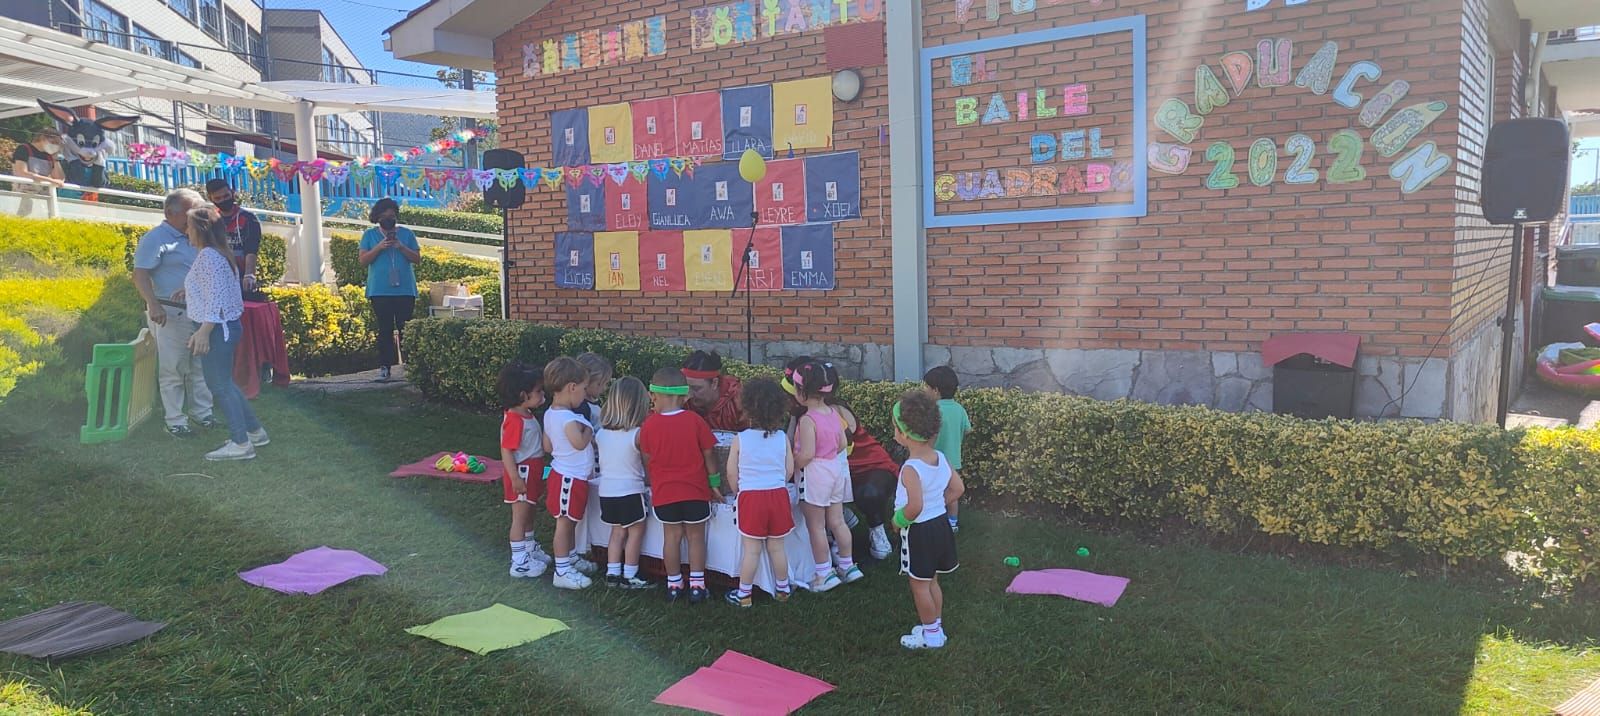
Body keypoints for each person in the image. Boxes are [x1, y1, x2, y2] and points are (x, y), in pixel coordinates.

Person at [782, 357, 901, 561]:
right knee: (832, 516)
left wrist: (793, 466)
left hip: (866, 468)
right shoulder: (806, 415)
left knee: (859, 497)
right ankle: (845, 556)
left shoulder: (828, 413)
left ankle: (874, 530)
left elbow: (843, 445)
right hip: (836, 473)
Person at [182, 206, 269, 461]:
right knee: (226, 383)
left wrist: (204, 332)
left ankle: (241, 443)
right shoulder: (219, 254)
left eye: (189, 226)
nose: (186, 230)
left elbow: (217, 297)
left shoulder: (209, 256)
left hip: (217, 329)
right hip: (225, 327)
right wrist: (187, 291)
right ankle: (254, 432)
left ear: (200, 229)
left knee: (218, 385)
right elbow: (214, 288)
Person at [133, 189, 214, 438]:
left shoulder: (197, 236)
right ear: (170, 212)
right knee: (174, 368)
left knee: (201, 366)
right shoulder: (155, 238)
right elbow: (140, 274)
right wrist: (153, 305)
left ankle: (203, 414)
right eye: (191, 212)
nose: (196, 216)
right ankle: (175, 420)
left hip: (198, 311)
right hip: (170, 312)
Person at [889, 390, 963, 650]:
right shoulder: (940, 458)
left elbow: (915, 507)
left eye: (895, 427)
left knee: (919, 584)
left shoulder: (910, 468)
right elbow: (958, 489)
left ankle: (931, 636)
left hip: (919, 532)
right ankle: (935, 626)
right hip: (940, 526)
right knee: (932, 581)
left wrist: (898, 521)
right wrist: (939, 505)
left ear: (905, 435)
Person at [639, 367, 718, 604]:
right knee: (696, 537)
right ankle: (697, 585)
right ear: (684, 396)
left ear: (657, 395)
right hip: (695, 491)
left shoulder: (649, 425)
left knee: (671, 537)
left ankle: (673, 584)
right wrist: (714, 483)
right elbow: (709, 454)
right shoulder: (695, 421)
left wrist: (652, 481)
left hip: (665, 493)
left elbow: (647, 459)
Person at [791, 360, 864, 591]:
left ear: (802, 392)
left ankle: (824, 573)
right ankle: (848, 565)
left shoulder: (807, 420)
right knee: (838, 521)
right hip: (834, 469)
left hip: (815, 474)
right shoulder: (833, 413)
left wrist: (793, 464)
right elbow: (843, 443)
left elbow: (808, 454)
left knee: (817, 526)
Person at [724, 378, 796, 607]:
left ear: (746, 407)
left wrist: (738, 491)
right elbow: (789, 469)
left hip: (751, 498)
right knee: (777, 547)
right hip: (777, 495)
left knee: (751, 550)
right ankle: (783, 589)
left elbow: (731, 473)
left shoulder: (740, 439)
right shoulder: (782, 438)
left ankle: (744, 594)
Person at [542, 356, 599, 589]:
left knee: (572, 521)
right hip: (568, 479)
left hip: (569, 477)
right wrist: (589, 430)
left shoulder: (550, 414)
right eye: (584, 389)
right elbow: (578, 443)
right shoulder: (568, 418)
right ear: (572, 388)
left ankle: (571, 557)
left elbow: (547, 446)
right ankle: (562, 570)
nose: (585, 394)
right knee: (565, 524)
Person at [596, 376, 652, 590]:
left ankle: (612, 572)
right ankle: (631, 573)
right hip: (630, 490)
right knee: (636, 531)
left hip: (607, 491)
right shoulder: (637, 434)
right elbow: (647, 465)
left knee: (617, 531)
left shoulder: (601, 433)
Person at [498, 361, 553, 579]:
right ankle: (519, 561)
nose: (543, 395)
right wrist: (515, 479)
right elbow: (507, 451)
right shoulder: (515, 420)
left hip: (533, 471)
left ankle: (530, 549)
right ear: (523, 395)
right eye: (538, 392)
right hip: (522, 473)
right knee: (519, 517)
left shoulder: (526, 415)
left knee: (529, 512)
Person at [357, 198, 420, 382]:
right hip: (380, 290)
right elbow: (363, 261)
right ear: (377, 217)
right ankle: (385, 367)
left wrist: (400, 246)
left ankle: (409, 367)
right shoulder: (369, 235)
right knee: (385, 329)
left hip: (405, 290)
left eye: (392, 216)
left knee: (405, 329)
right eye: (384, 217)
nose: (388, 220)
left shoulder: (407, 234)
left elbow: (416, 258)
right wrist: (379, 247)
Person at [924, 366, 972, 533]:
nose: (924, 390)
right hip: (953, 460)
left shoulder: (932, 410)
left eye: (926, 387)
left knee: (932, 492)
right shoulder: (959, 409)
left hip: (933, 460)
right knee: (952, 493)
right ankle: (952, 523)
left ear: (936, 390)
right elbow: (967, 429)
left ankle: (932, 518)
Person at [205, 179, 262, 293]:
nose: (223, 200)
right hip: (216, 279)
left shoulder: (248, 218)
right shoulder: (210, 220)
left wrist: (249, 274)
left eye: (226, 196)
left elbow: (251, 249)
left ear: (232, 192)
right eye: (218, 198)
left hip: (241, 277)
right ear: (210, 198)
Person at [682, 350, 747, 431]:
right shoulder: (682, 400)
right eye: (687, 387)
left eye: (696, 388)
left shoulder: (738, 399)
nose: (690, 394)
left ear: (714, 383)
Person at [10, 128, 66, 206]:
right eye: (53, 142)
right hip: (23, 194)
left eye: (58, 144)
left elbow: (59, 179)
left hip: (43, 197)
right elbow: (22, 173)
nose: (55, 146)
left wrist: (55, 159)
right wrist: (50, 180)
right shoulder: (24, 148)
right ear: (42, 138)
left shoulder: (49, 156)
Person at [575, 352, 614, 425]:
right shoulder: (581, 408)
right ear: (586, 381)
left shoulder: (595, 403)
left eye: (606, 384)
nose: (604, 388)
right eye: (599, 384)